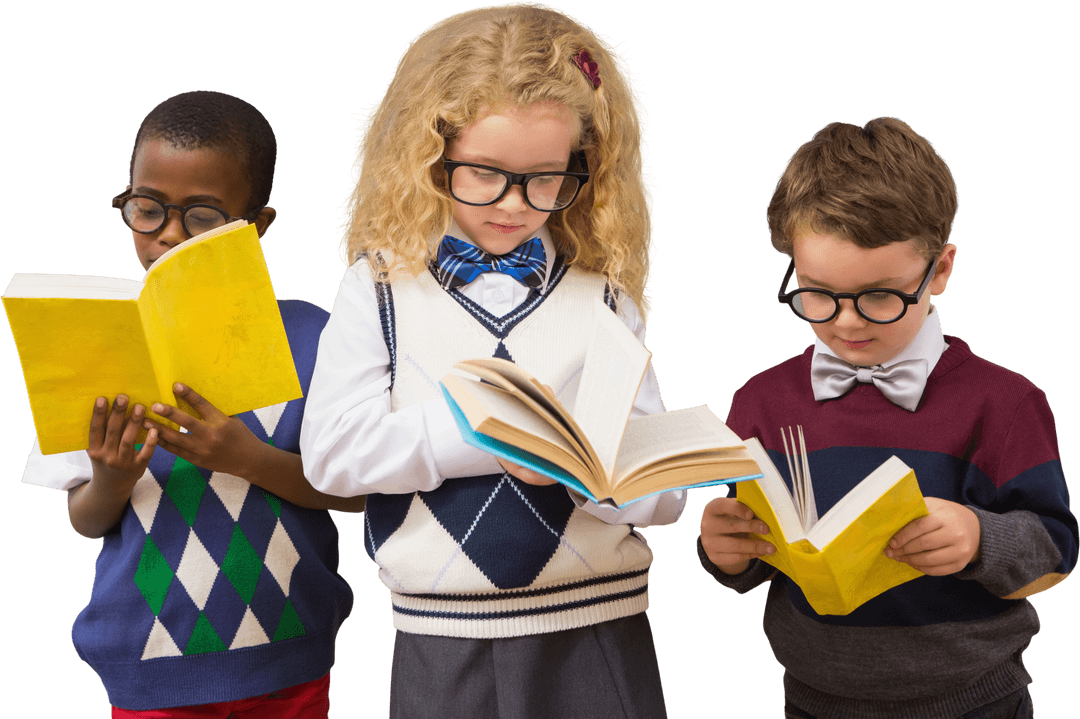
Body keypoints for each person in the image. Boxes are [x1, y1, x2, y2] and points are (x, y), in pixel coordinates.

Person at [299, 4, 683, 717]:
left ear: (583, 167)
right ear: (430, 154)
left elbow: (663, 494)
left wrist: (578, 470)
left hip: (600, 629)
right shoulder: (377, 287)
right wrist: (489, 432)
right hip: (442, 639)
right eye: (483, 173)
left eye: (546, 178)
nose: (515, 205)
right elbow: (331, 457)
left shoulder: (605, 296)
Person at [697, 116, 1077, 718]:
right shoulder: (760, 402)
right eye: (817, 292)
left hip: (975, 704)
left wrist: (980, 537)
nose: (846, 322)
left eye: (879, 295)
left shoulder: (1004, 404)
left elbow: (1057, 550)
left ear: (941, 270)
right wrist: (726, 552)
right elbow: (760, 557)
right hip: (813, 703)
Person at [21, 90, 363, 718]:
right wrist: (111, 478)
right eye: (147, 209)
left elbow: (357, 494)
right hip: (149, 664)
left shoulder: (316, 338)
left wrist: (249, 460)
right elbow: (85, 519)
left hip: (290, 659)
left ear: (256, 226)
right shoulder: (94, 342)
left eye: (203, 217)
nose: (170, 235)